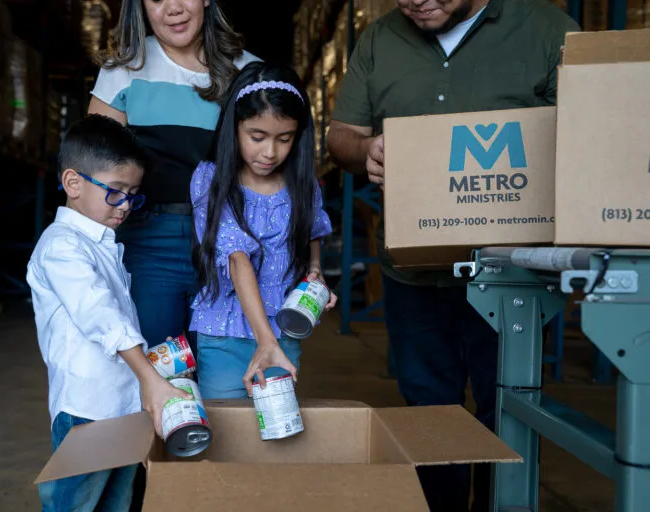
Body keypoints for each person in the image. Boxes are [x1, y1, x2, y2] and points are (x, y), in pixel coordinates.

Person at [326, 0, 579, 510]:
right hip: (413, 272)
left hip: (514, 276)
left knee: (508, 411)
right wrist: (366, 148)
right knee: (425, 414)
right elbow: (342, 134)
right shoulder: (378, 40)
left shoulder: (548, 31)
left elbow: (586, 136)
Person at [27, 115, 190, 511]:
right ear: (73, 183)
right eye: (116, 192)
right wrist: (150, 378)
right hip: (87, 409)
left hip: (124, 405)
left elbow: (118, 321)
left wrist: (154, 360)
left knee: (118, 503)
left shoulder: (103, 243)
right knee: (76, 505)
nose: (126, 206)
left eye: (134, 194)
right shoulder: (61, 247)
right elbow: (100, 315)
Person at [88, 0, 258, 356]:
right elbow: (96, 171)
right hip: (147, 242)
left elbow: (271, 170)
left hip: (227, 244)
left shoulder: (248, 72)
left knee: (224, 375)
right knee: (158, 369)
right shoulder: (122, 71)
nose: (172, 9)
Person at [190, 61, 336, 398]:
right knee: (229, 435)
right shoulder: (210, 180)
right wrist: (264, 342)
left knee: (276, 430)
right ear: (234, 128)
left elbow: (312, 227)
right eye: (257, 137)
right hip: (223, 334)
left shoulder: (301, 182)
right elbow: (237, 259)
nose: (270, 152)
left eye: (284, 139)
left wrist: (315, 270)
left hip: (284, 332)